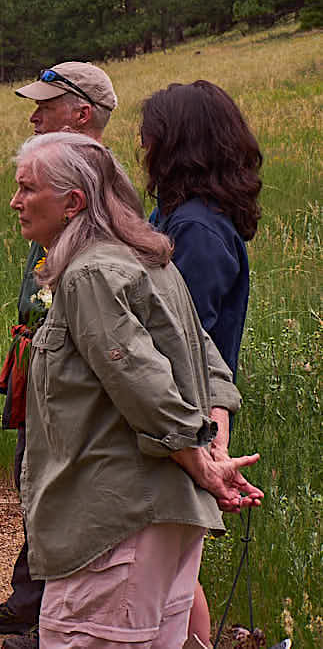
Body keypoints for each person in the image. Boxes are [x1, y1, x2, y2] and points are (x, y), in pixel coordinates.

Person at [9, 131, 261, 649]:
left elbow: (144, 385)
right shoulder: (147, 261)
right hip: (159, 520)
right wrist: (213, 451)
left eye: (28, 189)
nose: (16, 202)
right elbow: (210, 366)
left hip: (117, 521)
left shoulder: (90, 274)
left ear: (73, 201)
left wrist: (204, 464)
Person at [0, 61, 118, 649]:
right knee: (33, 477)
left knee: (60, 483)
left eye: (46, 107)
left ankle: (50, 616)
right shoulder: (60, 182)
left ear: (81, 114)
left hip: (76, 370)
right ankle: (31, 601)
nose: (33, 117)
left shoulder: (101, 189)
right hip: (41, 352)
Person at [140, 80, 263, 646]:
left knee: (173, 564)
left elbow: (179, 336)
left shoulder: (195, 228)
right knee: (175, 563)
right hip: (180, 412)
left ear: (179, 142)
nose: (143, 144)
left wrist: (201, 434)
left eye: (154, 133)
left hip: (180, 411)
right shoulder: (185, 217)